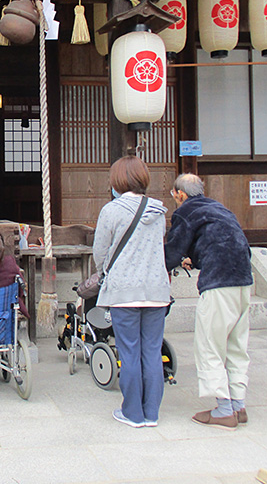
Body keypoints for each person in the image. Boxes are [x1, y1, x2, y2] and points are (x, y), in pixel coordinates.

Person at [165, 173, 252, 430]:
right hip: (243, 280)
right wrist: (194, 259)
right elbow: (222, 243)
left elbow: (172, 251)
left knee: (209, 346)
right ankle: (238, 405)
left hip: (218, 283)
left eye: (173, 194)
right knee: (236, 345)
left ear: (180, 194)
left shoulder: (185, 212)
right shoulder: (219, 208)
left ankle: (224, 410)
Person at [92, 156, 171, 428]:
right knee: (152, 352)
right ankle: (152, 413)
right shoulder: (158, 211)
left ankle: (133, 413)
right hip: (156, 290)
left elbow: (100, 252)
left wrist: (104, 273)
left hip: (124, 291)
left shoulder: (111, 211)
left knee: (129, 352)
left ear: (117, 181)